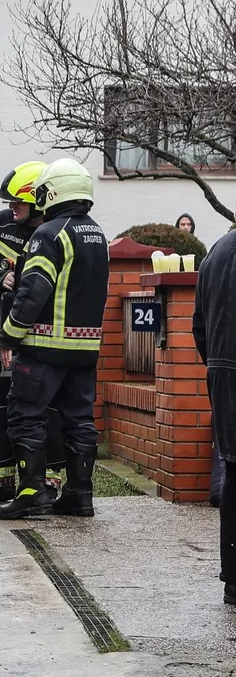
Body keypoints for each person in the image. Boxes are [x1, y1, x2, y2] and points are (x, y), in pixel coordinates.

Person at [0, 158, 109, 520]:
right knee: (79, 420)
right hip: (85, 350)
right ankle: (80, 495)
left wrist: (8, 337)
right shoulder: (98, 234)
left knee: (25, 416)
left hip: (45, 347)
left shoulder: (49, 234)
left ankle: (32, 493)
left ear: (53, 191)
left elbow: (33, 292)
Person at [0, 162, 67, 505]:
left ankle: (43, 482)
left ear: (37, 200)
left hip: (36, 342)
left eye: (17, 202)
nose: (11, 207)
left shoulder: (55, 230)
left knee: (42, 413)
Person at [192, 225, 236, 604]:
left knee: (234, 473)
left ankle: (234, 580)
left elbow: (198, 326)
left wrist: (217, 368)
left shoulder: (217, 251)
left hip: (223, 375)